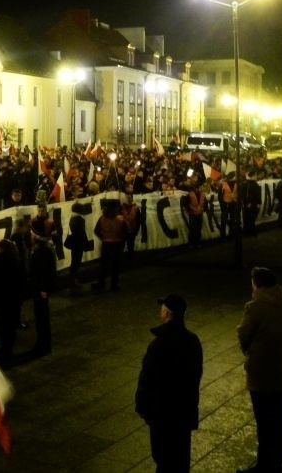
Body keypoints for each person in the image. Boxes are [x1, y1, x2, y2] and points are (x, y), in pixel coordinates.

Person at [236, 267, 282, 473]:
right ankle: (278, 458)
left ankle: (264, 464)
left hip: (261, 371)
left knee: (264, 420)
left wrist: (249, 351)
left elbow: (244, 334)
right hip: (281, 369)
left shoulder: (255, 306)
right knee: (279, 415)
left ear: (257, 284)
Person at [135, 294, 203, 473]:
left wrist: (143, 408)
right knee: (180, 459)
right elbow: (195, 376)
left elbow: (147, 379)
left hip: (162, 413)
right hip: (183, 412)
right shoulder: (193, 341)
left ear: (166, 313)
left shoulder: (158, 344)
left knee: (163, 458)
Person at [30, 236, 57, 356]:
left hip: (40, 290)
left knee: (41, 318)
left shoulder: (38, 255)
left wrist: (42, 289)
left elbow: (38, 273)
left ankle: (42, 344)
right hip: (44, 289)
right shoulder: (48, 253)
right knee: (43, 317)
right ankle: (45, 344)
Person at [93, 199, 127, 292]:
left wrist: (103, 237)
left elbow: (96, 230)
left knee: (103, 266)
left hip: (106, 244)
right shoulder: (121, 219)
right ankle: (114, 285)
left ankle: (101, 284)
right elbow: (125, 232)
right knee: (115, 266)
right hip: (117, 244)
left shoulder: (102, 218)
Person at [65, 202, 90, 291]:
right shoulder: (79, 219)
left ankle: (72, 281)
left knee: (74, 262)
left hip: (74, 244)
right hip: (78, 244)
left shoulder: (72, 218)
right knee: (76, 263)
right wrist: (86, 243)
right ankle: (73, 282)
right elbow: (82, 232)